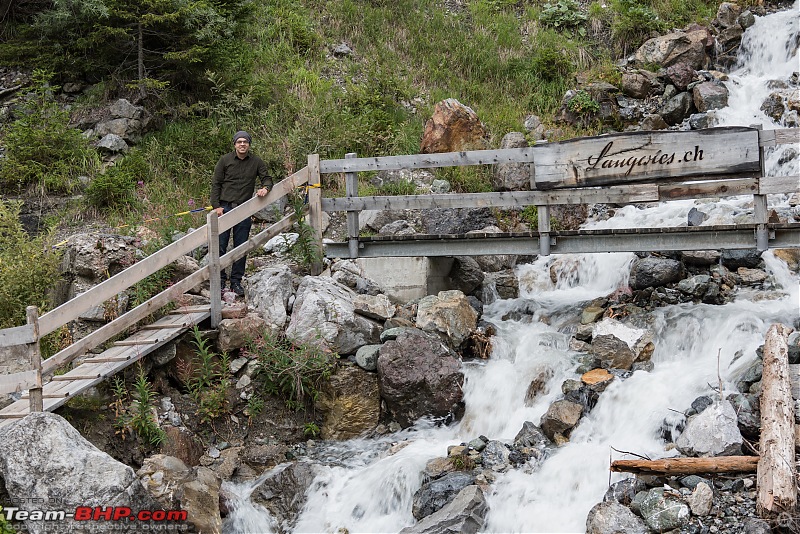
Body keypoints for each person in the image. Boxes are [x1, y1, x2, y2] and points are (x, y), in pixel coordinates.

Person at [210, 130, 273, 296]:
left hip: (245, 208)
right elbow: (216, 184)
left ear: (249, 144)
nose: (242, 144)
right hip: (224, 208)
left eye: (245, 142)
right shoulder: (225, 160)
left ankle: (236, 282)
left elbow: (267, 178)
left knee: (241, 246)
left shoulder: (256, 162)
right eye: (239, 142)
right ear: (235, 144)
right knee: (220, 246)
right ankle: (221, 280)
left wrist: (265, 188)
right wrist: (216, 206)